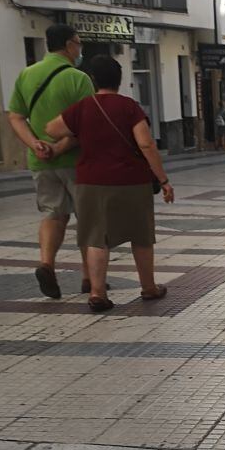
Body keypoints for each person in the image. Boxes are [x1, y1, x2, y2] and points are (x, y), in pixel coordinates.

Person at [45, 55, 174, 314]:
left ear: (92, 79)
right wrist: (163, 180)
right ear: (120, 79)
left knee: (96, 237)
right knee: (141, 235)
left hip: (91, 181)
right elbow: (146, 144)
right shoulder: (129, 107)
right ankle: (148, 287)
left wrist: (80, 131)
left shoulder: (82, 107)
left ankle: (97, 292)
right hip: (131, 181)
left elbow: (52, 129)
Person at [7, 24, 96, 299]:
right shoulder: (77, 79)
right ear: (69, 45)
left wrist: (35, 144)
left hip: (41, 160)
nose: (80, 49)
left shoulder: (26, 74)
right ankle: (88, 277)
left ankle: (47, 263)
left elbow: (16, 116)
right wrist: (59, 148)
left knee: (52, 213)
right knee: (87, 218)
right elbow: (86, 125)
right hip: (75, 160)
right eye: (78, 43)